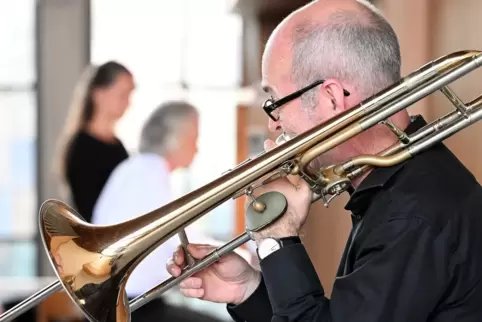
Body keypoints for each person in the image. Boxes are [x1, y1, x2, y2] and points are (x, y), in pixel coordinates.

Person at [166, 0, 482, 321]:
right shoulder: (403, 186)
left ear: (332, 98)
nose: (274, 123)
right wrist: (248, 289)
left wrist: (277, 238)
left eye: (275, 100)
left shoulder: (412, 214)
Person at [92, 101, 243, 322]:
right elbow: (185, 240)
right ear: (175, 139)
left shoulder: (130, 169)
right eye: (194, 138)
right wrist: (243, 254)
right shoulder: (151, 174)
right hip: (135, 307)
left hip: (121, 301)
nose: (197, 148)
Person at [55, 61, 134, 223]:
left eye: (129, 95)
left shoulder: (118, 146)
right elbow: (90, 209)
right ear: (99, 94)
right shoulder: (81, 147)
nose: (128, 103)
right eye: (122, 94)